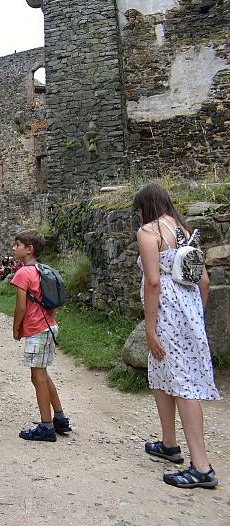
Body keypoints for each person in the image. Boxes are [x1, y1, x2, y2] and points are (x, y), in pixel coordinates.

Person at [133, 183, 221, 488]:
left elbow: (153, 282)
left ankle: (202, 467)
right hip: (189, 312)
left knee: (182, 383)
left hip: (166, 315)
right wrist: (195, 315)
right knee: (162, 375)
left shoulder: (148, 232)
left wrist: (149, 326)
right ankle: (169, 444)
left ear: (144, 207)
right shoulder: (184, 231)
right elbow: (204, 281)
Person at [11, 230, 71, 442]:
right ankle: (60, 418)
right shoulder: (44, 270)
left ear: (29, 249)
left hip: (36, 330)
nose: (14, 248)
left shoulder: (23, 273)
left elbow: (20, 306)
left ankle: (46, 426)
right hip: (49, 326)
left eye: (17, 244)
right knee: (43, 374)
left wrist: (16, 328)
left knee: (37, 376)